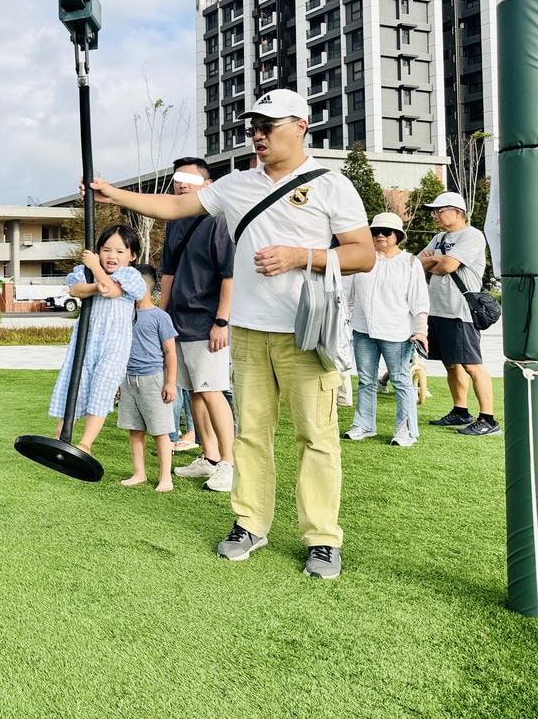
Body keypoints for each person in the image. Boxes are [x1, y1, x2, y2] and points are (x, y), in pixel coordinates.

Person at [90, 88, 374, 579]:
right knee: (252, 436)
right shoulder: (238, 184)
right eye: (253, 127)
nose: (258, 135)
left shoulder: (332, 185)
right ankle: (250, 523)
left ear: (300, 126)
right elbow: (175, 209)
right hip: (248, 333)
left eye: (268, 126)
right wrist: (113, 193)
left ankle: (322, 539)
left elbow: (362, 254)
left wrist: (302, 256)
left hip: (307, 332)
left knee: (317, 437)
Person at [160, 157, 238, 493]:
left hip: (207, 322)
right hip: (178, 321)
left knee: (212, 390)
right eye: (177, 178)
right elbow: (167, 273)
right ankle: (207, 456)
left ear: (207, 186)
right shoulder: (174, 220)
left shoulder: (219, 220)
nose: (180, 184)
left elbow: (229, 276)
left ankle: (228, 462)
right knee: (194, 390)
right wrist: (161, 317)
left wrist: (221, 321)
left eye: (188, 179)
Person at [48, 225, 145, 452]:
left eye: (120, 252)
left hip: (114, 344)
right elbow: (75, 290)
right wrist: (94, 281)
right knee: (76, 385)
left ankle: (85, 443)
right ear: (98, 250)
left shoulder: (131, 275)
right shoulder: (86, 271)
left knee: (102, 388)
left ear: (132, 256)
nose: (111, 256)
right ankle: (61, 437)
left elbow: (110, 290)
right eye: (106, 249)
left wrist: (94, 267)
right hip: (87, 340)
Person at [345, 212, 429, 446]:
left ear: (398, 236)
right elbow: (347, 296)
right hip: (363, 330)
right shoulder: (362, 261)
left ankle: (406, 430)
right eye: (375, 231)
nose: (380, 236)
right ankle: (363, 425)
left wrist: (421, 331)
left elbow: (420, 302)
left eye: (386, 232)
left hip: (397, 332)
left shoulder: (410, 263)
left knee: (401, 380)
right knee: (365, 380)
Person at [418, 191, 498, 436]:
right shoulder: (439, 237)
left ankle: (488, 419)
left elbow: (447, 267)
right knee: (451, 364)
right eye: (435, 211)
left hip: (460, 311)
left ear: (458, 212)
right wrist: (435, 260)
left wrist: (436, 260)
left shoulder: (472, 236)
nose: (436, 216)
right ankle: (460, 411)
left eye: (440, 211)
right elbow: (416, 263)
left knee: (472, 365)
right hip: (439, 310)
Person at [118, 264, 178, 492]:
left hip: (153, 380)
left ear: (143, 287)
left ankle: (165, 478)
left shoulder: (159, 317)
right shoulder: (125, 315)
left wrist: (170, 382)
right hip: (128, 380)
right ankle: (139, 473)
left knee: (160, 431)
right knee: (135, 429)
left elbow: (170, 352)